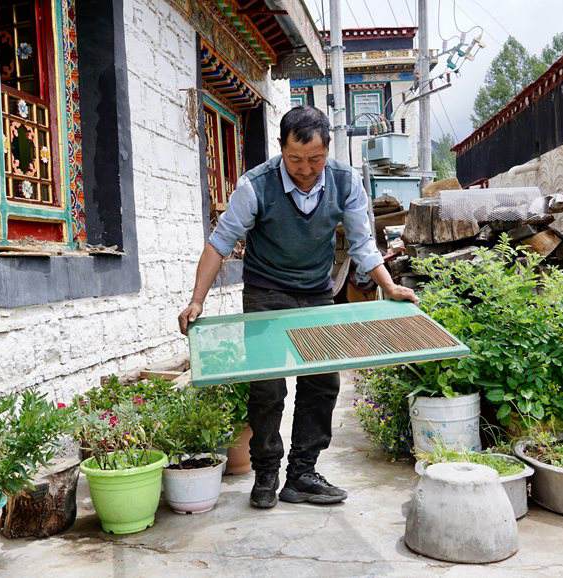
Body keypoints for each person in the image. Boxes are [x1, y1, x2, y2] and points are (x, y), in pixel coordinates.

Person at [178, 106, 418, 509]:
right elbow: (220, 243)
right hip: (265, 291)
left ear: (328, 150)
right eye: (295, 159)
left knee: (322, 383)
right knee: (267, 387)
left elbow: (362, 244)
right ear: (281, 149)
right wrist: (196, 300)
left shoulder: (345, 182)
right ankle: (266, 474)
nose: (306, 169)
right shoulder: (255, 185)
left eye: (315, 159)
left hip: (315, 291)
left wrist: (389, 286)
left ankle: (302, 474)